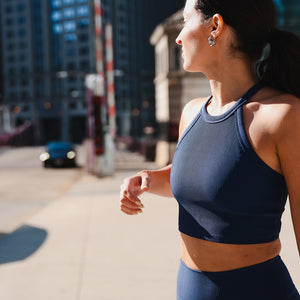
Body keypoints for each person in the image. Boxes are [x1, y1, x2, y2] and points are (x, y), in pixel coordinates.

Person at [120, 0, 300, 299]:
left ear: (215, 26)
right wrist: (148, 179)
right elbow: (201, 178)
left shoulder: (282, 116)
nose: (178, 37)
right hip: (190, 289)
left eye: (185, 21)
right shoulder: (191, 112)